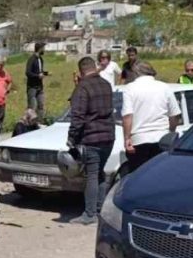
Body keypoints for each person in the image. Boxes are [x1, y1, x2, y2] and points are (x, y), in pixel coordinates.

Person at [67, 57, 115, 225]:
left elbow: (78, 116)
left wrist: (71, 138)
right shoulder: (106, 84)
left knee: (92, 175)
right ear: (95, 67)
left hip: (91, 137)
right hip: (109, 136)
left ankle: (89, 214)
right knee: (101, 173)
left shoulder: (83, 87)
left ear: (81, 71)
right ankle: (101, 209)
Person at [121, 62, 182, 173]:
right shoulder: (164, 87)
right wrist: (171, 131)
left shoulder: (130, 89)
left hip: (139, 140)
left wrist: (127, 138)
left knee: (139, 176)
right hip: (162, 138)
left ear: (135, 73)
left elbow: (127, 116)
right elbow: (175, 114)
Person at [25, 42, 49, 119]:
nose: (44, 50)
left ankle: (40, 122)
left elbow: (39, 71)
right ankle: (30, 124)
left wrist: (46, 73)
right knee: (32, 107)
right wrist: (38, 76)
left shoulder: (41, 59)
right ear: (40, 49)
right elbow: (28, 72)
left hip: (40, 86)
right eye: (43, 48)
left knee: (41, 106)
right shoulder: (31, 59)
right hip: (32, 87)